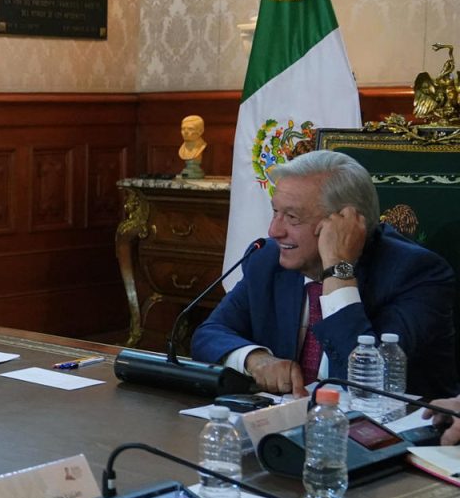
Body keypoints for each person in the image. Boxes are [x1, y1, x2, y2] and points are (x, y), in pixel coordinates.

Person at [192, 150, 457, 399]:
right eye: (275, 212)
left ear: (346, 224)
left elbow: (370, 384)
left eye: (292, 217)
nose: (274, 231)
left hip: (397, 438)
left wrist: (338, 268)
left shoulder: (416, 274)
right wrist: (256, 359)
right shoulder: (267, 260)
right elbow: (209, 334)